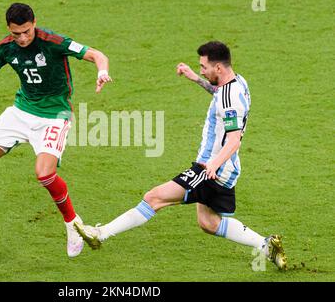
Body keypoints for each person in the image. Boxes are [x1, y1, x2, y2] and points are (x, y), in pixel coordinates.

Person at [74, 41, 287, 270]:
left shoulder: (229, 98)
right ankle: (266, 246)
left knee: (154, 198)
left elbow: (234, 139)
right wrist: (195, 78)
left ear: (218, 68)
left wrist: (212, 165)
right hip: (227, 167)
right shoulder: (238, 83)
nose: (202, 69)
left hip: (211, 167)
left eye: (204, 67)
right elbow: (218, 93)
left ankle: (99, 233)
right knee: (208, 222)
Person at [0, 3, 112, 258]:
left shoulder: (53, 41)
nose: (23, 38)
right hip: (21, 111)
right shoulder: (5, 48)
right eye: (17, 34)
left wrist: (102, 71)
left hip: (54, 116)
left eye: (27, 31)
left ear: (34, 23)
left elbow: (96, 54)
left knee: (44, 174)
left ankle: (73, 224)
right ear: (9, 29)